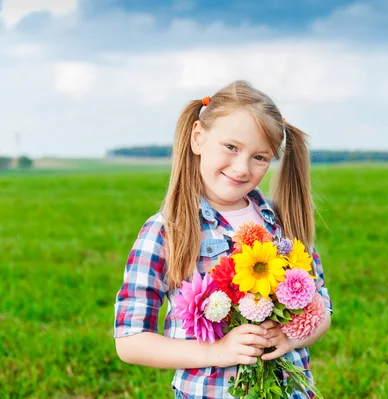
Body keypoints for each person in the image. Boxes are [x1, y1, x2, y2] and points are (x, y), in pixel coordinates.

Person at [113, 80, 333, 399]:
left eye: (260, 157)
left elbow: (322, 308)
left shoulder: (282, 224)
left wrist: (291, 338)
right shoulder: (167, 230)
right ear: (198, 137)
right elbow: (130, 342)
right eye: (231, 147)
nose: (242, 168)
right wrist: (218, 352)